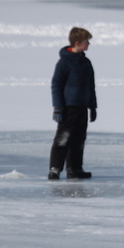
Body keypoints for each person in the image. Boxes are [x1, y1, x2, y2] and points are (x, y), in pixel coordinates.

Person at [48, 27, 97, 180]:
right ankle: (55, 169)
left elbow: (91, 86)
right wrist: (58, 107)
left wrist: (93, 106)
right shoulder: (64, 62)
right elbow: (56, 85)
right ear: (77, 43)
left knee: (79, 139)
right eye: (86, 41)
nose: (88, 44)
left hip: (82, 107)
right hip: (68, 108)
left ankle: (74, 169)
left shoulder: (86, 63)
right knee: (63, 138)